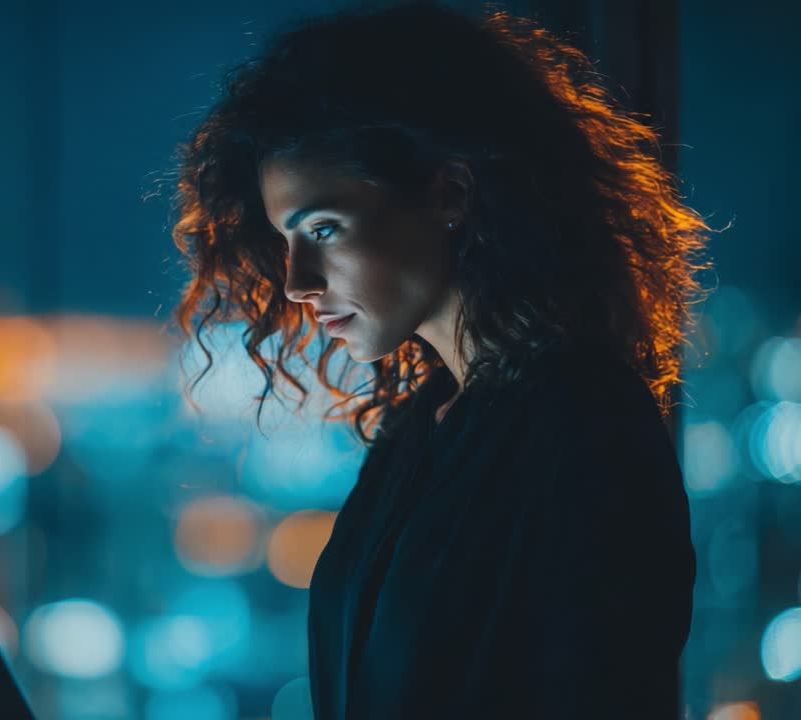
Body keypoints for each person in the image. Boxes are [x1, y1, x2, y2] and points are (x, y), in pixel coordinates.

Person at [166, 2, 713, 717]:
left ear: (449, 193)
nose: (297, 282)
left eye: (323, 229)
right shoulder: (423, 428)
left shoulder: (585, 428)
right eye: (285, 241)